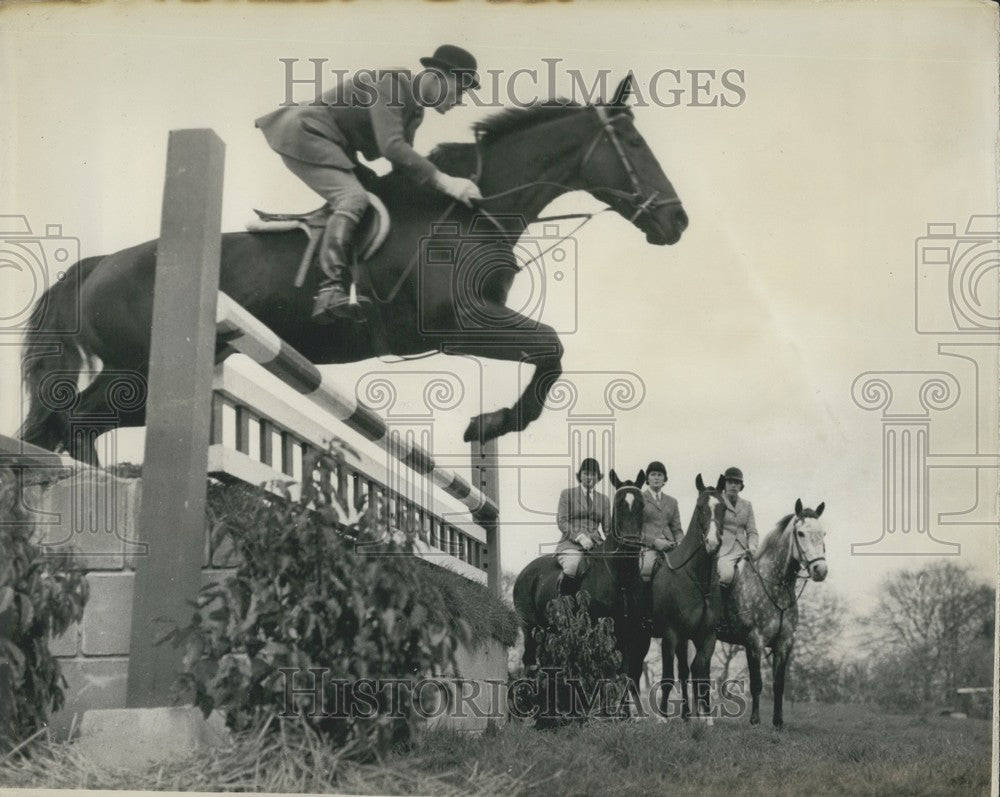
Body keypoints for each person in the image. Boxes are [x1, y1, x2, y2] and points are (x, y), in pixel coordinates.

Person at [255, 44, 483, 322]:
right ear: (437, 77)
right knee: (353, 199)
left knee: (378, 190)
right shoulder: (392, 83)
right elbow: (392, 147)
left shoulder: (415, 112)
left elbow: (402, 167)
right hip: (305, 132)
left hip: (333, 143)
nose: (460, 100)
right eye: (460, 90)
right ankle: (329, 289)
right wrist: (447, 182)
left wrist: (448, 196)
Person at [555, 458, 611, 597]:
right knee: (572, 566)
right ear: (580, 475)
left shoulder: (604, 500)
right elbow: (562, 521)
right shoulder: (567, 494)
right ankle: (565, 607)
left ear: (598, 477)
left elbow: (607, 528)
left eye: (593, 474)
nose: (589, 477)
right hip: (571, 543)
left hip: (596, 544)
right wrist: (579, 537)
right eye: (586, 473)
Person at [716, 466, 758, 587]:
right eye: (730, 482)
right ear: (724, 484)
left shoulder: (747, 505)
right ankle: (723, 605)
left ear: (741, 486)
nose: (733, 486)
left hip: (744, 549)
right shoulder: (717, 502)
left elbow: (752, 531)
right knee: (726, 575)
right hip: (723, 549)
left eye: (737, 483)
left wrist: (752, 546)